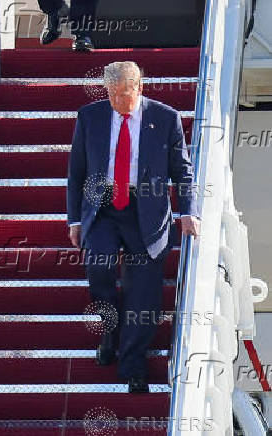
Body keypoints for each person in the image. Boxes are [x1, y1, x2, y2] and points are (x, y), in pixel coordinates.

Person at [67, 61, 200, 393]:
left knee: (143, 295)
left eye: (122, 94)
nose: (115, 101)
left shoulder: (165, 118)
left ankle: (133, 364)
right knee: (99, 269)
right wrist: (74, 219)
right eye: (110, 94)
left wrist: (189, 211)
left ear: (138, 88)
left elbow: (182, 170)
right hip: (103, 210)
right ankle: (110, 331)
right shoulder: (90, 116)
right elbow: (77, 171)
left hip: (148, 213)